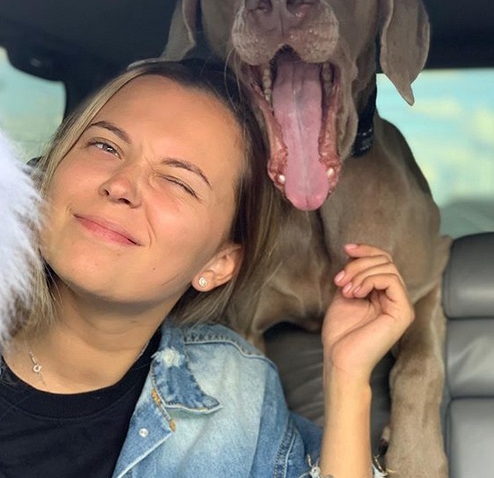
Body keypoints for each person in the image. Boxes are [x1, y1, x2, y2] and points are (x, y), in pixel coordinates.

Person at [0, 59, 414, 478]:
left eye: (178, 182)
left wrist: (347, 380)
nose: (121, 185)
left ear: (218, 264)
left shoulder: (233, 389)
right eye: (106, 146)